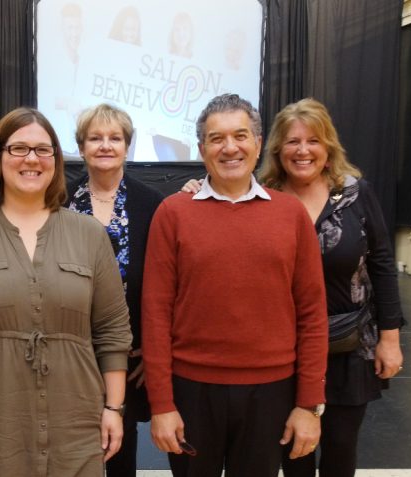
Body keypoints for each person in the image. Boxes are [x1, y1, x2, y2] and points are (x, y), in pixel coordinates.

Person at [0, 107, 132, 476]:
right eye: (18, 149)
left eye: (42, 149)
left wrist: (113, 409)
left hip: (77, 421)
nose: (31, 159)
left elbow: (113, 330)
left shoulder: (89, 234)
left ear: (55, 159)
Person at [142, 93, 328, 477]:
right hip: (191, 391)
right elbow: (155, 313)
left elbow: (312, 313)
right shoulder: (173, 213)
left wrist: (309, 404)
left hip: (273, 391)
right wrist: (161, 404)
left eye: (240, 136)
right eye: (216, 138)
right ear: (201, 148)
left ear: (258, 144)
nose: (230, 148)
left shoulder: (290, 214)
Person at [260, 98, 404, 477]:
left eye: (313, 141)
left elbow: (383, 265)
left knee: (340, 447)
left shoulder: (356, 194)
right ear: (278, 149)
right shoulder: (262, 198)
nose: (303, 150)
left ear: (328, 147)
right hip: (283, 349)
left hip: (349, 347)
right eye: (292, 141)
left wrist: (390, 339)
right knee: (293, 450)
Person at [66, 103, 164, 476]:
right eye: (95, 138)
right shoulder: (61, 200)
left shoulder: (151, 203)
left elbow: (160, 285)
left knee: (121, 449)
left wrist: (152, 349)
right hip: (70, 350)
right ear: (81, 146)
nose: (105, 145)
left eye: (115, 138)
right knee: (72, 445)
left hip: (129, 352)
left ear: (127, 146)